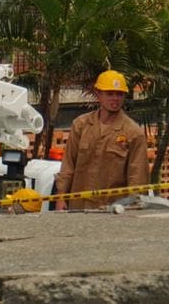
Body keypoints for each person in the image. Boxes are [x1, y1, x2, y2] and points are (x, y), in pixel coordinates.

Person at [53, 69, 148, 212]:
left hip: (112, 210)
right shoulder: (81, 125)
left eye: (119, 94)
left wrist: (133, 208)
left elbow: (137, 177)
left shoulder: (134, 133)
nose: (115, 98)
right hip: (78, 207)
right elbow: (68, 165)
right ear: (98, 94)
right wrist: (61, 197)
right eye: (110, 94)